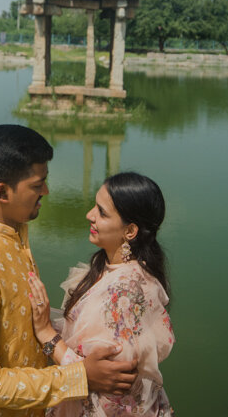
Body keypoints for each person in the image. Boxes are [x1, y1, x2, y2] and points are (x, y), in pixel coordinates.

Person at [0, 124, 138, 417]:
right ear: (2, 192)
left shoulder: (10, 229)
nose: (46, 191)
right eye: (36, 185)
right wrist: (80, 376)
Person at [27, 172, 175, 417]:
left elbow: (106, 381)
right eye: (95, 206)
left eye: (102, 212)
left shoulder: (124, 293)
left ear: (130, 231)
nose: (89, 215)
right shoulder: (119, 268)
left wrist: (46, 334)